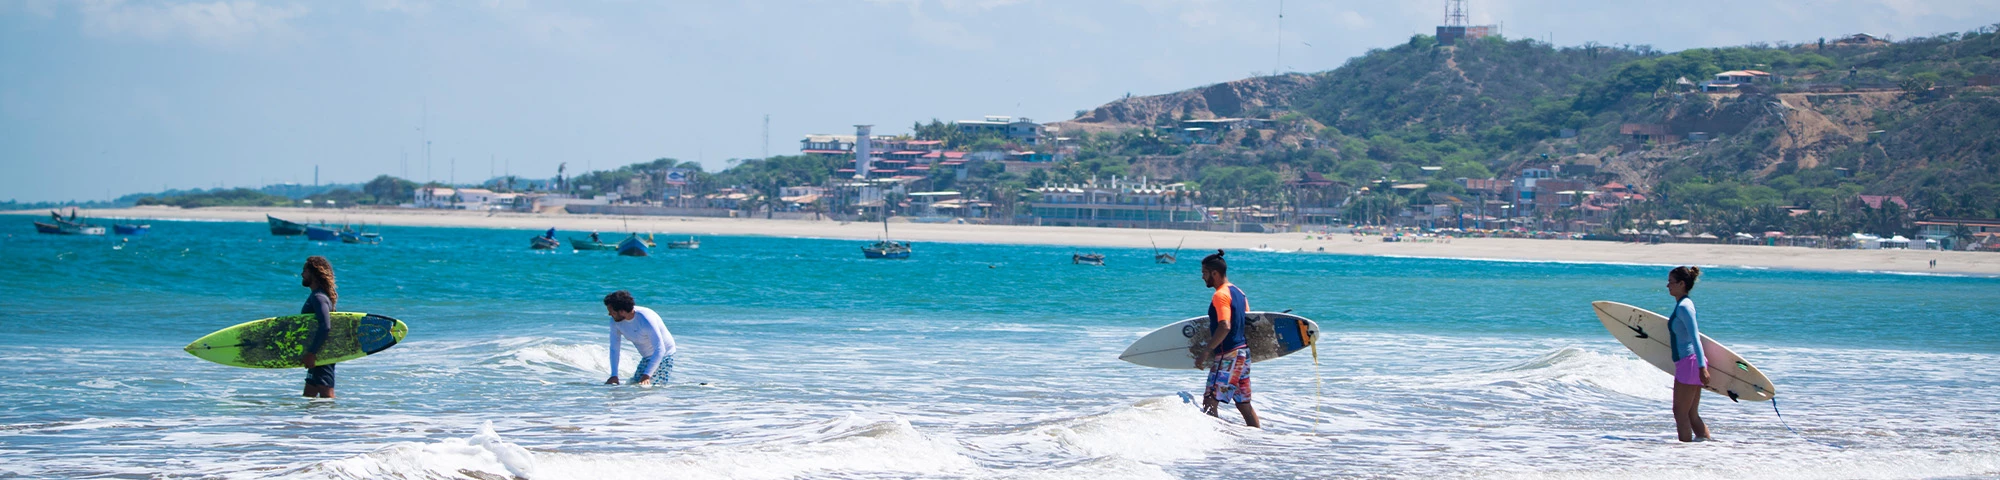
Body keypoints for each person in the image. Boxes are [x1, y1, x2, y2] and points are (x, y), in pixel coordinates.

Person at [1197, 250, 1259, 428]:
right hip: (1243, 354)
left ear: (1214, 273)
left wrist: (1206, 351)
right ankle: (1260, 440)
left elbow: (1225, 325)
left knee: (1210, 401)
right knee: (1243, 403)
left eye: (1204, 273)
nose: (1202, 277)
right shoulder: (1239, 292)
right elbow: (1245, 319)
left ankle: (1216, 446)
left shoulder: (1220, 295)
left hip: (1228, 355)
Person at [1666, 266, 1712, 442]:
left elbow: (1695, 337)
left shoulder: (1684, 307)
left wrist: (1702, 367)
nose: (1667, 286)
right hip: (1689, 363)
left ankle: (1684, 453)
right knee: (1691, 413)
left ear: (1681, 283)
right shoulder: (1683, 305)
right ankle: (1704, 446)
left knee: (1680, 413)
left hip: (1690, 363)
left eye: (1671, 282)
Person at [603, 290, 676, 386]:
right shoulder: (614, 322)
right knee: (632, 386)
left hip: (664, 355)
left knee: (648, 388)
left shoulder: (646, 319)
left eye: (612, 312)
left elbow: (660, 349)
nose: (609, 314)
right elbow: (614, 348)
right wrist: (614, 375)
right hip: (646, 357)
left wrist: (647, 375)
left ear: (622, 311)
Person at [300, 256, 339, 398]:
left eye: (305, 270)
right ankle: (310, 420)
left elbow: (325, 326)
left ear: (314, 274)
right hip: (318, 354)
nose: (302, 274)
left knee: (326, 397)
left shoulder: (319, 297)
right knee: (308, 396)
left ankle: (332, 420)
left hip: (322, 355)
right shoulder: (316, 296)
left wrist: (312, 353)